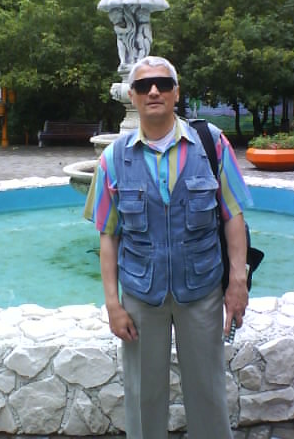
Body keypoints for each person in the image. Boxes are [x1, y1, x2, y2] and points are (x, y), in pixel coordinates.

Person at [84, 56, 252, 439]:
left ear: (176, 92)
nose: (154, 91)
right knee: (143, 398)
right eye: (144, 86)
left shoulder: (211, 144)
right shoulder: (113, 159)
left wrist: (237, 282)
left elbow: (233, 215)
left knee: (208, 394)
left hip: (202, 292)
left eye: (162, 83)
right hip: (141, 297)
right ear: (132, 96)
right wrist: (112, 304)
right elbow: (108, 235)